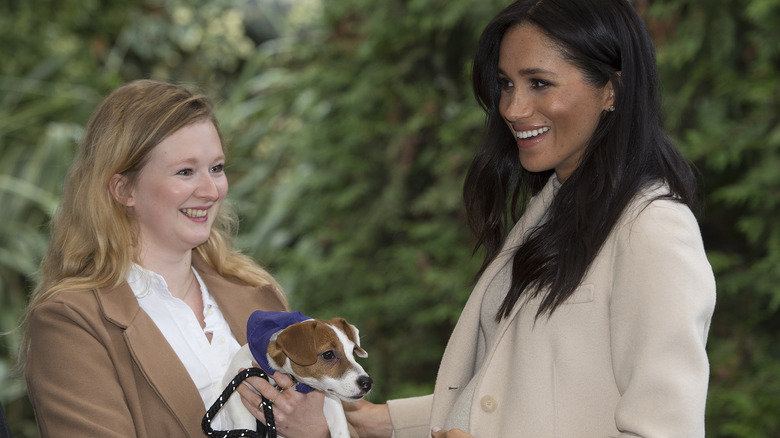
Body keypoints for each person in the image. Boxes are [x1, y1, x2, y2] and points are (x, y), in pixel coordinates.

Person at [345, 0, 716, 437]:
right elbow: (514, 398)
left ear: (611, 90)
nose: (512, 108)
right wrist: (370, 422)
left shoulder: (653, 229)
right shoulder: (553, 208)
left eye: (539, 83)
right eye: (506, 83)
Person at [20, 79, 329, 437]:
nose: (211, 191)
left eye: (216, 168)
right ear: (123, 189)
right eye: (186, 172)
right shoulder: (71, 322)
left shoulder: (256, 295)